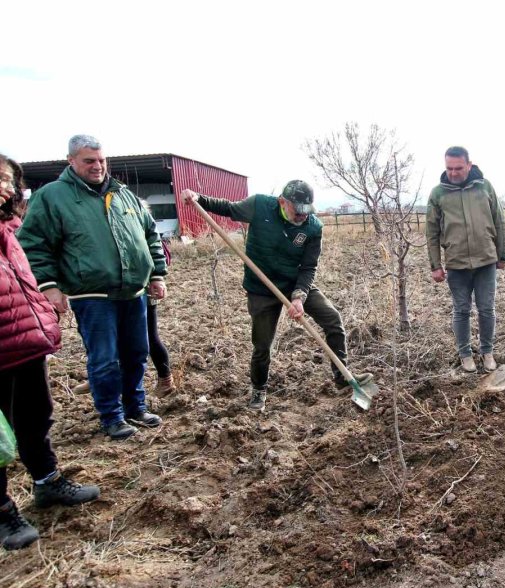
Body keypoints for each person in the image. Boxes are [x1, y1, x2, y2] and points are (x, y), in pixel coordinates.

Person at [17, 135, 168, 441]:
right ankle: (111, 416)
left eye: (101, 160)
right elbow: (33, 245)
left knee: (136, 353)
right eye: (89, 161)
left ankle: (135, 407)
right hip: (93, 296)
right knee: (104, 358)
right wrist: (49, 285)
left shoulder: (123, 194)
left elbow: (150, 235)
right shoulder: (52, 197)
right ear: (71, 161)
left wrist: (156, 274)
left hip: (134, 292)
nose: (97, 167)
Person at [180, 180, 372, 411]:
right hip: (262, 287)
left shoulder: (313, 228)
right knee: (262, 345)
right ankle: (258, 390)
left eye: (306, 211)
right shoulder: (259, 205)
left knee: (332, 319)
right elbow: (228, 208)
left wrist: (299, 297)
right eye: (297, 210)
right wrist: (198, 198)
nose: (302, 216)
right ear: (283, 202)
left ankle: (342, 376)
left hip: (294, 283)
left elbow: (309, 267)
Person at [0, 154, 100, 550]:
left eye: (9, 180)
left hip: (22, 341)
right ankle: (3, 513)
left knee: (34, 417)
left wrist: (43, 309)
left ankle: (47, 482)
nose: (6, 187)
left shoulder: (10, 227)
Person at [426, 146, 505, 373]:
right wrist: (435, 265)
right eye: (449, 168)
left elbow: (499, 221)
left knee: (486, 308)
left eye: (458, 168)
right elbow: (431, 232)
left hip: (486, 260)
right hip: (457, 262)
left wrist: (502, 254)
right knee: (461, 310)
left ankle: (487, 352)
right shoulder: (438, 194)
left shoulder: (485, 187)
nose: (453, 172)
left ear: (469, 165)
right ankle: (465, 354)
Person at [73, 237, 176, 398]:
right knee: (107, 338)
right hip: (112, 289)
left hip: (140, 287)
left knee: (148, 336)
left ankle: (165, 379)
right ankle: (100, 378)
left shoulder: (136, 217)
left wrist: (154, 277)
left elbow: (156, 251)